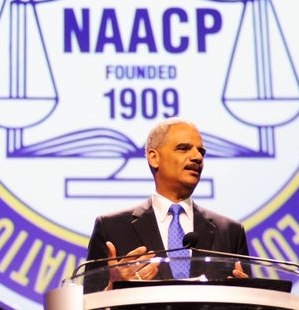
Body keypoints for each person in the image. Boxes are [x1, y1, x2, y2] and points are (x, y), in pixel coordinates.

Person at [83, 117, 249, 292]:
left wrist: (247, 296)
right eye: (184, 148)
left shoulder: (230, 233)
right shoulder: (112, 229)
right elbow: (90, 302)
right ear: (154, 158)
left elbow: (247, 298)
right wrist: (112, 289)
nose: (197, 157)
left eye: (201, 152)